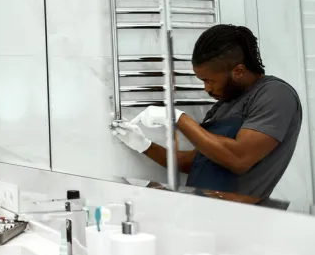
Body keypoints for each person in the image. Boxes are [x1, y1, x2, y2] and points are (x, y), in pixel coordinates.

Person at [112, 24, 302, 201]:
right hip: (205, 211)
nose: (206, 89)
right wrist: (144, 145)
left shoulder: (275, 95)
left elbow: (239, 158)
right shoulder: (225, 104)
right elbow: (197, 162)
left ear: (238, 71)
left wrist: (178, 118)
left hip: (240, 218)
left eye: (209, 81)